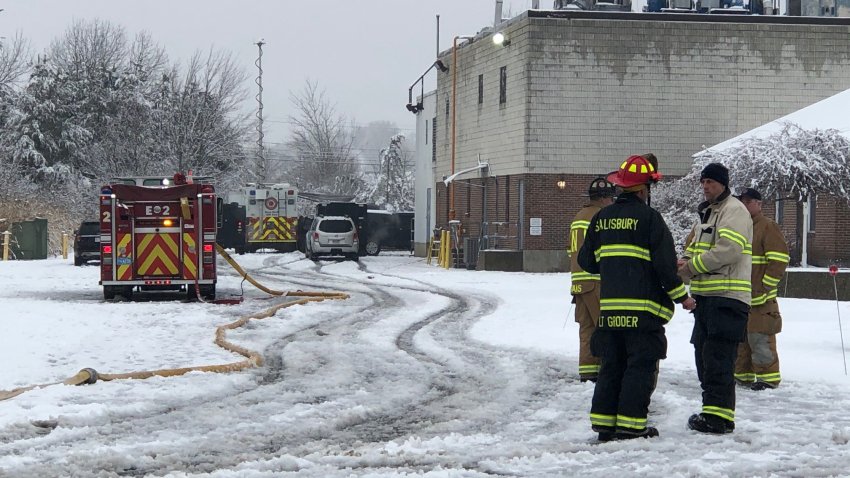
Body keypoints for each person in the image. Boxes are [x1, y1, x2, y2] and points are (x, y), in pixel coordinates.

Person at [579, 155, 695, 441]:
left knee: (611, 365)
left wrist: (613, 265)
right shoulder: (650, 219)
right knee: (639, 368)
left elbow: (587, 261)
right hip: (643, 313)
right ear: (644, 190)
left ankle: (604, 424)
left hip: (610, 311)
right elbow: (666, 268)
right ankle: (631, 426)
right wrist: (684, 298)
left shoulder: (601, 218)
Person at [678, 162, 753, 434]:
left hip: (727, 299)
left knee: (718, 359)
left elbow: (729, 250)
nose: (705, 186)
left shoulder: (734, 211)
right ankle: (712, 412)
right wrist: (683, 264)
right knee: (705, 357)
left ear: (723, 184)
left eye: (710, 182)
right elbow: (695, 247)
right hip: (707, 300)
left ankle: (718, 419)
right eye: (703, 182)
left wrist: (692, 267)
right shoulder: (707, 215)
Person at [733, 187, 789, 390]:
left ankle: (768, 379)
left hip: (761, 299)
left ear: (759, 204)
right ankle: (742, 376)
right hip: (741, 296)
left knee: (760, 340)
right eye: (742, 202)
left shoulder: (767, 227)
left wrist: (765, 286)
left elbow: (779, 260)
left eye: (749, 202)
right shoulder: (740, 227)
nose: (745, 205)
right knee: (742, 342)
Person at [569, 177, 616, 383]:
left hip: (579, 283)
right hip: (597, 280)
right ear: (604, 198)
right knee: (605, 327)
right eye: (611, 198)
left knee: (586, 328)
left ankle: (587, 371)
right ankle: (607, 370)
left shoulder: (579, 216)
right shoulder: (602, 216)